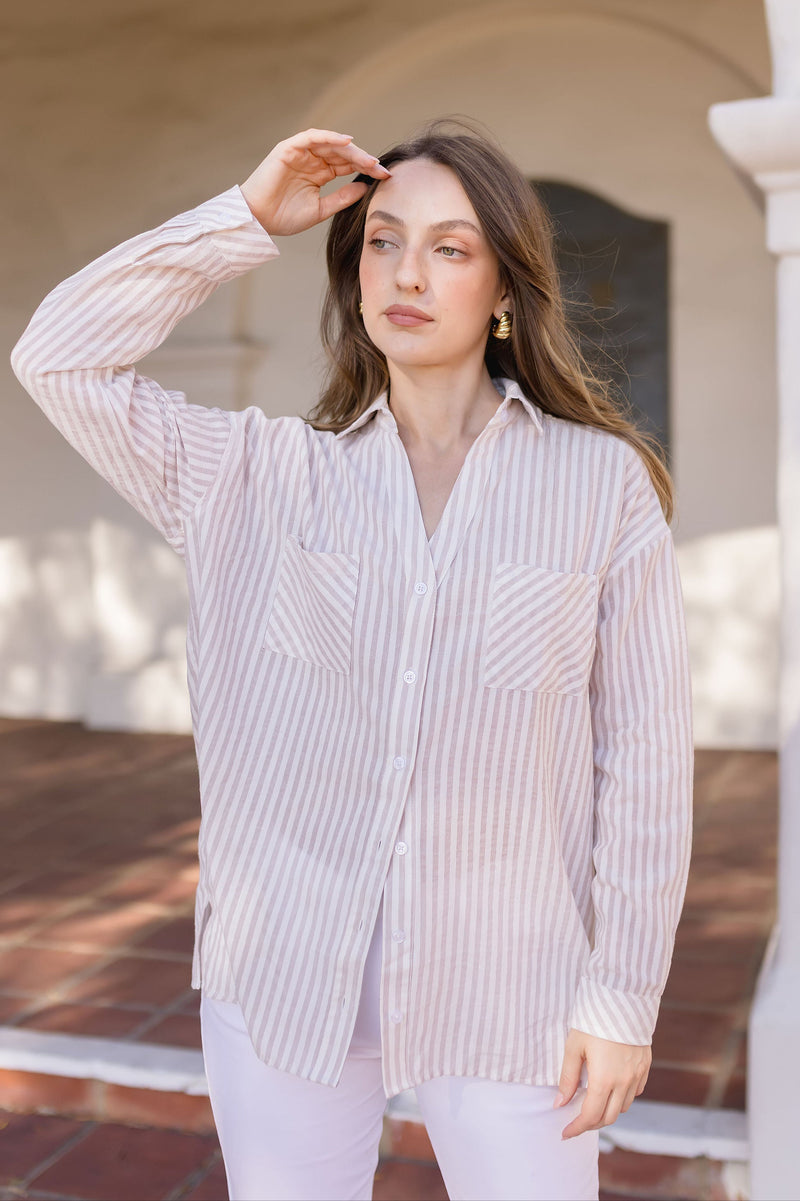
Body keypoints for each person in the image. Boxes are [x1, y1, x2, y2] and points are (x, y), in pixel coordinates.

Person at [10, 122, 694, 1201]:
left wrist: (619, 997)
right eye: (382, 240)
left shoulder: (596, 486)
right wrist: (241, 218)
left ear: (505, 289)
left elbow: (644, 761)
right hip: (282, 973)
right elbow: (56, 355)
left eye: (450, 248)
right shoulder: (253, 479)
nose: (407, 273)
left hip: (509, 981)